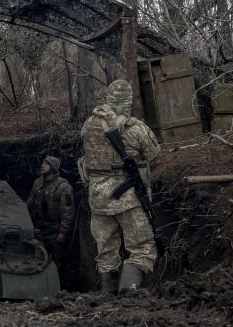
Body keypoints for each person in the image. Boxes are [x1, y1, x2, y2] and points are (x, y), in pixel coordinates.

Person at [79, 79, 161, 294]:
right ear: (128, 102)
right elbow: (155, 156)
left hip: (97, 198)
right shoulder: (135, 128)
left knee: (105, 251)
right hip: (128, 198)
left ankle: (108, 299)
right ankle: (129, 295)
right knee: (142, 247)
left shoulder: (89, 125)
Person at [26, 155, 74, 262]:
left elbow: (68, 211)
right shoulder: (37, 182)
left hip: (55, 230)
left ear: (53, 167)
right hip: (38, 228)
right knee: (38, 258)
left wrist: (63, 232)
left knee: (58, 260)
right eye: (43, 163)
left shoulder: (64, 187)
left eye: (46, 164)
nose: (42, 165)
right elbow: (30, 201)